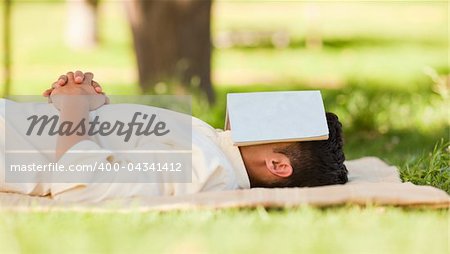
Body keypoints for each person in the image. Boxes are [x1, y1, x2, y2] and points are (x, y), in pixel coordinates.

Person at [0, 71, 347, 202]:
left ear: (277, 165)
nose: (268, 110)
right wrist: (93, 108)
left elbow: (83, 185)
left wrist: (74, 107)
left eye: (279, 121)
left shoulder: (206, 168)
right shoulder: (214, 145)